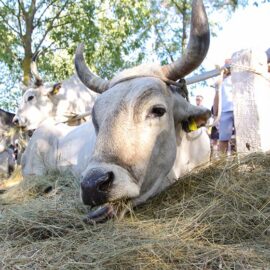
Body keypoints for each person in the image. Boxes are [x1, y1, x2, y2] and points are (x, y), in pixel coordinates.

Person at [213, 59, 235, 155]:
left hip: (239, 109)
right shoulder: (220, 80)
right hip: (225, 111)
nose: (227, 66)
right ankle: (222, 162)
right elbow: (216, 97)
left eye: (229, 64)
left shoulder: (241, 77)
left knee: (241, 137)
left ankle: (241, 161)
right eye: (225, 64)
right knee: (223, 138)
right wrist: (215, 112)